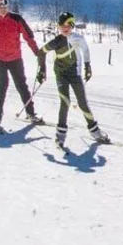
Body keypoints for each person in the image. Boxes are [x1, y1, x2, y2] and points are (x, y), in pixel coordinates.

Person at [0, 0, 46, 129]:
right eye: (0, 6)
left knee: (21, 85)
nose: (2, 9)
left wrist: (37, 52)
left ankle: (31, 113)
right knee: (3, 83)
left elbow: (28, 36)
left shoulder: (16, 19)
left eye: (5, 6)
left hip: (15, 58)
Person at [39, 12, 108, 147]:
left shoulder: (78, 39)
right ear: (58, 26)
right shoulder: (57, 41)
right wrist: (42, 70)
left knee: (83, 103)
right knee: (65, 102)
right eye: (62, 25)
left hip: (75, 74)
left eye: (68, 25)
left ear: (72, 26)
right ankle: (60, 135)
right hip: (61, 74)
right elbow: (41, 52)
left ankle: (95, 131)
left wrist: (88, 67)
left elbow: (85, 50)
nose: (65, 28)